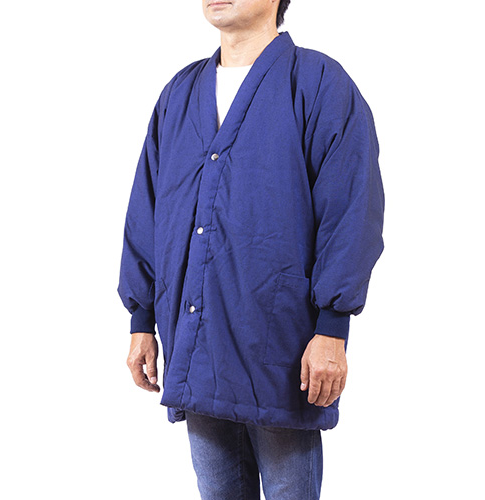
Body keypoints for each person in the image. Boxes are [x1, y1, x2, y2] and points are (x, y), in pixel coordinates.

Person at [117, 0, 385, 498]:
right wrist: (141, 319)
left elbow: (352, 209)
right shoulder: (180, 93)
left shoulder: (319, 84)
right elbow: (147, 210)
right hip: (196, 344)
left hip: (281, 350)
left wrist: (332, 329)